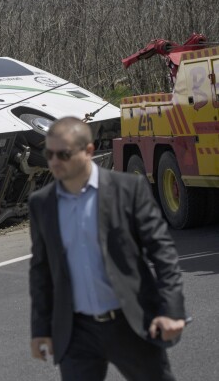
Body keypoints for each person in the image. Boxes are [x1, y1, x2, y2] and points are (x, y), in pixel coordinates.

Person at [28, 116, 187, 380]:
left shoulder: (128, 189)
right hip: (77, 333)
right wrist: (40, 329)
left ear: (89, 151)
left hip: (130, 323)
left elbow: (163, 253)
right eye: (49, 154)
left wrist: (171, 311)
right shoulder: (42, 204)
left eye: (64, 154)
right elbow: (41, 270)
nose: (54, 162)